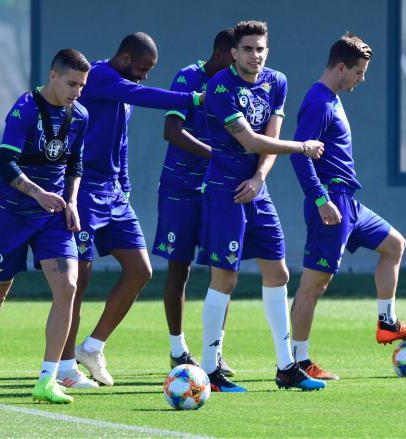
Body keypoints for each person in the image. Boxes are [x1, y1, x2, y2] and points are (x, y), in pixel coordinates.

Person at [57, 32, 205, 388]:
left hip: (113, 193)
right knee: (79, 282)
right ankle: (63, 368)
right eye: (142, 68)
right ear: (125, 59)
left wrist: (124, 184)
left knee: (140, 270)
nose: (144, 75)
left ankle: (92, 347)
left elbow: (120, 140)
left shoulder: (123, 88)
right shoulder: (102, 75)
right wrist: (193, 98)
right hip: (83, 189)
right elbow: (141, 94)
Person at [198, 20, 326, 393]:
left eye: (261, 49)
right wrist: (302, 146)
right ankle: (209, 371)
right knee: (226, 278)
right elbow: (252, 142)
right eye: (248, 49)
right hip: (225, 192)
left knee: (279, 273)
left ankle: (286, 367)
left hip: (256, 190)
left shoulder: (277, 82)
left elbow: (268, 141)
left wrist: (258, 180)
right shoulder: (220, 87)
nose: (256, 55)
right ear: (234, 53)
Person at [289, 34, 406, 380]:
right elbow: (300, 156)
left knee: (395, 245)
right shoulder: (318, 102)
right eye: (359, 73)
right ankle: (298, 363)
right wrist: (320, 200)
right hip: (330, 202)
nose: (361, 80)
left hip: (350, 202)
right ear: (340, 67)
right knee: (314, 285)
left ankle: (387, 322)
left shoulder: (332, 97)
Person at [0, 49, 90, 403]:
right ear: (53, 75)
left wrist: (72, 201)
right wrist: (38, 193)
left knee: (69, 285)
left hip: (52, 218)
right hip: (12, 214)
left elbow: (75, 164)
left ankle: (47, 379)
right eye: (71, 83)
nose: (76, 92)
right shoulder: (24, 109)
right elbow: (5, 164)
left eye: (82, 86)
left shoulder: (80, 115)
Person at [152, 29, 237, 376]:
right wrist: (215, 155)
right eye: (236, 57)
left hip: (216, 189)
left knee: (223, 270)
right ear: (220, 53)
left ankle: (214, 354)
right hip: (180, 189)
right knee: (179, 269)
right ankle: (177, 349)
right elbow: (171, 130)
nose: (241, 65)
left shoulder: (235, 86)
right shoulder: (189, 77)